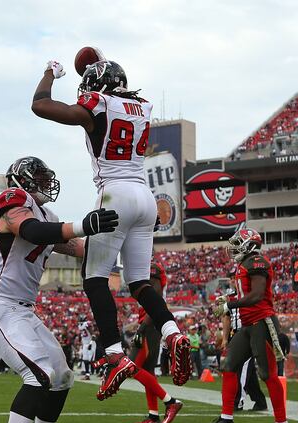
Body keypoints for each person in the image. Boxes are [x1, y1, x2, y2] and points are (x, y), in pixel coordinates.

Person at [31, 55, 191, 400]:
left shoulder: (98, 103)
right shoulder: (142, 106)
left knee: (94, 278)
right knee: (139, 282)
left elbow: (40, 105)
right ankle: (173, 332)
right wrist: (102, 65)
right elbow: (114, 90)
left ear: (99, 87)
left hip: (114, 195)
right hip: (145, 197)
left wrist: (50, 73)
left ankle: (115, 355)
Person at [0, 156, 119, 423]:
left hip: (24, 310)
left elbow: (82, 248)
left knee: (62, 378)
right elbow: (31, 230)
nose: (44, 183)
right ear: (21, 179)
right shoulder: (12, 199)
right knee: (39, 374)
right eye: (38, 178)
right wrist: (82, 225)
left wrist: (128, 236)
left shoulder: (48, 216)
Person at [200, 228, 290, 423]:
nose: (234, 246)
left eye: (239, 242)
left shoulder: (257, 262)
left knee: (268, 374)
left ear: (250, 244)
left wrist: (230, 305)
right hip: (248, 325)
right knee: (229, 366)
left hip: (262, 322)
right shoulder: (244, 263)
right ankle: (226, 421)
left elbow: (257, 295)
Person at [129, 259, 183, 423]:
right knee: (147, 371)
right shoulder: (148, 268)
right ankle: (153, 415)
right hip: (150, 323)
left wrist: (142, 328)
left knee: (131, 368)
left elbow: (156, 299)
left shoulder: (152, 269)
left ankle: (170, 401)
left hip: (150, 324)